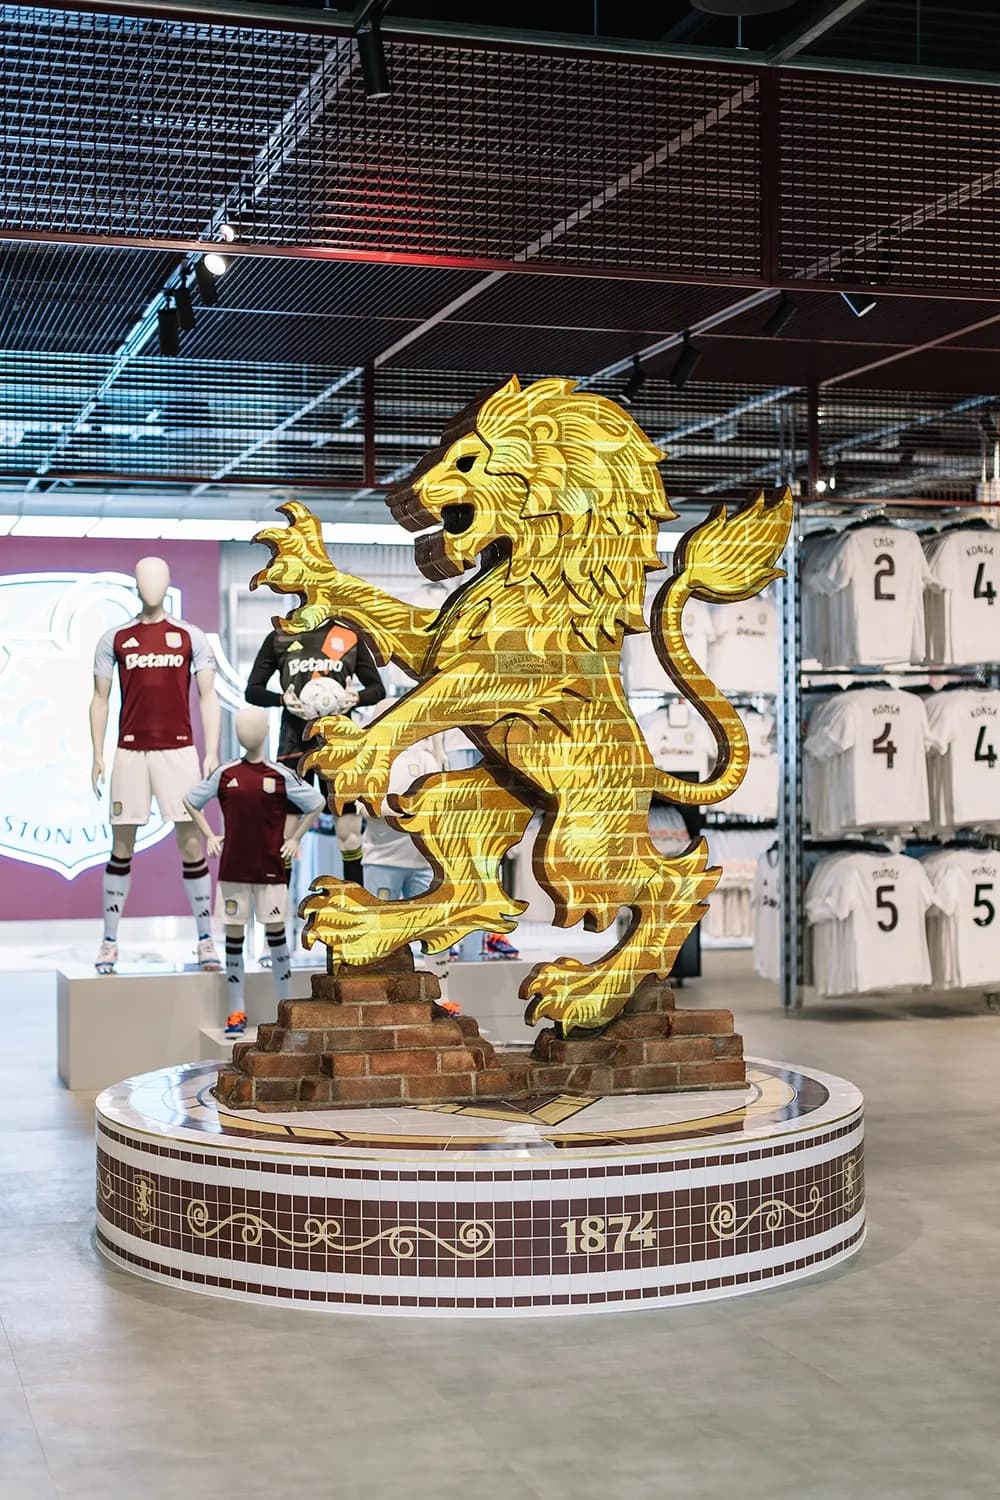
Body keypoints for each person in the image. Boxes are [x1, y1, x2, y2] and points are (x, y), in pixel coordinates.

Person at [90, 556, 221, 975]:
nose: (151, 585)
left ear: (167, 584)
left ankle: (205, 939)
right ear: (136, 585)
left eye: (158, 578)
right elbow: (99, 698)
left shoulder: (189, 636)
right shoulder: (115, 638)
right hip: (130, 751)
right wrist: (97, 753)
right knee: (121, 846)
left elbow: (208, 696)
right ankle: (109, 941)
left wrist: (212, 750)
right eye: (145, 579)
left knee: (191, 844)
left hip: (178, 751)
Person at [183, 706, 324, 1036]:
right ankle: (236, 1009)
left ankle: (285, 1007)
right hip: (234, 871)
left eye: (255, 725)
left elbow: (316, 801)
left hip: (271, 871)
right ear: (237, 732)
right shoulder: (225, 774)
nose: (249, 731)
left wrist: (294, 838)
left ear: (266, 730)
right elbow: (191, 800)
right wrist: (210, 836)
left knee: (276, 937)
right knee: (234, 939)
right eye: (244, 726)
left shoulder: (279, 775)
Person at [245, 619, 384, 885]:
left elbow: (377, 689)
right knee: (285, 836)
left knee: (350, 834)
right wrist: (281, 699)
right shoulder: (281, 636)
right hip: (294, 747)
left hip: (339, 747)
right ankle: (278, 906)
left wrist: (357, 698)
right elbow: (252, 691)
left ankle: (353, 904)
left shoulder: (348, 636)